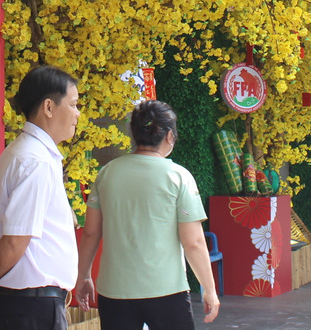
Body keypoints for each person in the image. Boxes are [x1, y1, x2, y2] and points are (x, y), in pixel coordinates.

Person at [74, 101, 220, 329]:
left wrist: (83, 276)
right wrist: (209, 289)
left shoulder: (107, 173)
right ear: (170, 136)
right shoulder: (179, 176)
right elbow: (193, 242)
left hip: (114, 290)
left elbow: (91, 232)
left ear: (133, 134)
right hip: (166, 290)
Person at [0, 66, 81, 330]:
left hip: (24, 301)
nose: (77, 114)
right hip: (32, 303)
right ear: (49, 107)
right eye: (73, 104)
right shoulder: (35, 161)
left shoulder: (21, 152)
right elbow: (15, 237)